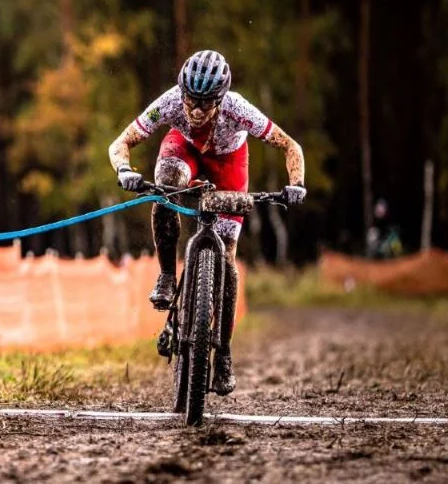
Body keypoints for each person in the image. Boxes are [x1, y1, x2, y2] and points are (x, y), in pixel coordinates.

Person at [107, 50, 306, 396]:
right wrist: (124, 170)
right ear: (181, 91)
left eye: (207, 103)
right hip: (184, 151)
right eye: (191, 100)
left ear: (222, 98)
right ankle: (168, 276)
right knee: (165, 184)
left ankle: (224, 354)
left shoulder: (239, 108)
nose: (196, 111)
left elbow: (290, 146)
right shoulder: (169, 102)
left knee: (227, 261)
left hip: (229, 165)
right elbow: (120, 142)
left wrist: (297, 184)